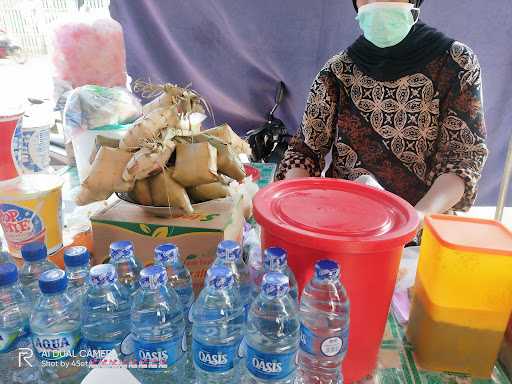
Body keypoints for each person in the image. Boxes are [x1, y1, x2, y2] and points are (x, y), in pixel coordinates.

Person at [277, 0, 488, 221]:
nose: (376, 1)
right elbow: (304, 152)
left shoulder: (455, 64)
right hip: (348, 228)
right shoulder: (338, 72)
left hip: (423, 235)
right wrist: (297, 206)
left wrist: (414, 219)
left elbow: (462, 160)